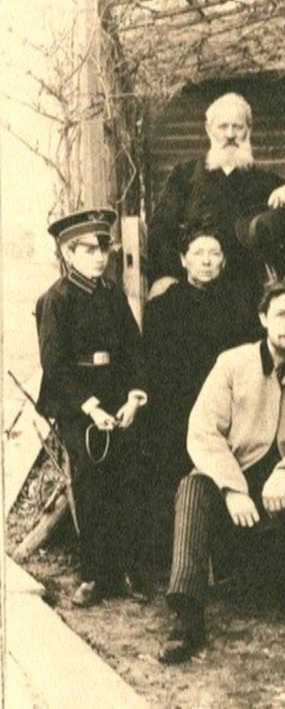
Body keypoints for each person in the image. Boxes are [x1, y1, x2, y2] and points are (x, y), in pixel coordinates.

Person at [159, 274, 285, 664]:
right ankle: (186, 617)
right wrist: (231, 488)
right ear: (263, 318)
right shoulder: (232, 363)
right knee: (192, 486)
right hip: (236, 482)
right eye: (281, 315)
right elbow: (202, 430)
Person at [35, 208, 149, 607]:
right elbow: (55, 366)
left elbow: (134, 349)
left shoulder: (112, 293)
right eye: (89, 250)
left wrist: (134, 396)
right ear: (69, 253)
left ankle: (126, 570)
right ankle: (93, 575)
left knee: (128, 478)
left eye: (104, 249)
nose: (100, 257)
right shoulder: (56, 300)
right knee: (91, 484)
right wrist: (91, 408)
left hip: (117, 396)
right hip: (78, 403)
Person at [142, 219, 261, 563]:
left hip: (228, 407)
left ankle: (227, 556)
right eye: (198, 253)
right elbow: (155, 369)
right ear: (183, 260)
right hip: (177, 407)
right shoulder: (163, 308)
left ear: (224, 260)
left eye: (214, 253)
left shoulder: (240, 307)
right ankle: (176, 556)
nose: (207, 260)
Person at [147, 92, 285, 294]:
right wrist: (166, 275)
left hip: (251, 293)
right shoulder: (185, 176)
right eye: (223, 126)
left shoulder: (264, 181)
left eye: (237, 127)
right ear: (208, 129)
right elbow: (160, 230)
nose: (230, 134)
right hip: (198, 291)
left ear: (248, 130)